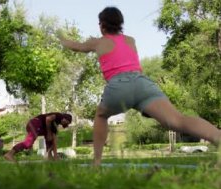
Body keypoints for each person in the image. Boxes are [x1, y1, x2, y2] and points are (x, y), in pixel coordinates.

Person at [59, 7, 221, 166]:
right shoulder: (130, 40)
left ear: (102, 25)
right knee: (176, 120)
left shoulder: (98, 42)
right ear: (120, 23)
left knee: (101, 116)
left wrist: (63, 39)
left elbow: (77, 46)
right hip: (143, 84)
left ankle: (97, 162)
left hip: (119, 85)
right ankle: (218, 137)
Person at [4, 112, 72, 162]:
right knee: (28, 143)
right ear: (64, 117)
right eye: (66, 121)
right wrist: (48, 133)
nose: (65, 123)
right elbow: (48, 119)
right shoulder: (58, 115)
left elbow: (54, 141)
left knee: (50, 139)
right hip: (35, 123)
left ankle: (49, 158)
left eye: (66, 123)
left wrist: (55, 155)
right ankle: (9, 154)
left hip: (36, 126)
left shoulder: (54, 126)